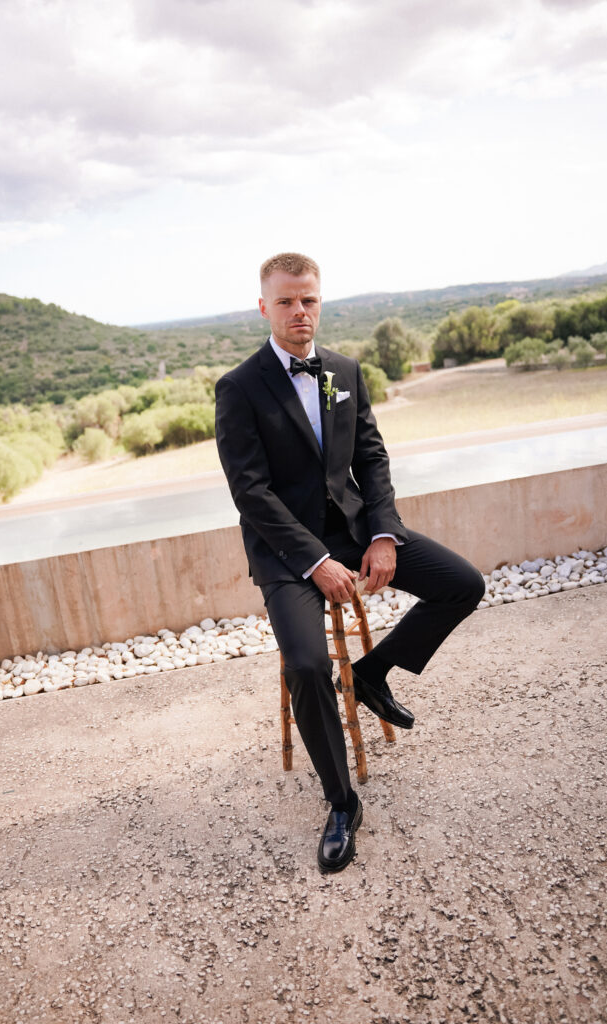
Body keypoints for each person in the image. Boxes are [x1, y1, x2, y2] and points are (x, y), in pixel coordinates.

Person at [215, 252, 485, 873]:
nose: (299, 311)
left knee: (462, 584)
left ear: (320, 301)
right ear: (264, 307)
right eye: (286, 301)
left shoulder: (344, 370)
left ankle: (370, 674)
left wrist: (384, 535)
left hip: (356, 529)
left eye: (308, 299)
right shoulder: (238, 387)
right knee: (308, 666)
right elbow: (250, 492)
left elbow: (372, 458)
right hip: (287, 553)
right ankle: (341, 804)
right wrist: (315, 562)